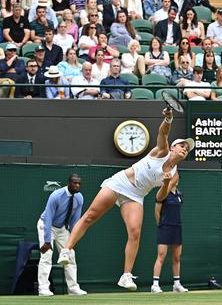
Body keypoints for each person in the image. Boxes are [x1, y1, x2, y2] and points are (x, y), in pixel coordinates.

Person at [57, 107, 194, 292]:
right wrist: (168, 120)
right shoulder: (161, 151)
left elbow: (160, 197)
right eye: (182, 145)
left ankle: (126, 276)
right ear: (173, 147)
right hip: (120, 182)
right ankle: (67, 249)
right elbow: (163, 132)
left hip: (136, 196)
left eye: (187, 149)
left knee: (135, 233)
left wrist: (165, 183)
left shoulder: (175, 175)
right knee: (90, 216)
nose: (185, 149)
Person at [37, 173, 87, 296]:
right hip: (46, 225)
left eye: (79, 183)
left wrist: (73, 240)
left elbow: (75, 221)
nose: (77, 185)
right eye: (74, 183)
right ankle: (43, 288)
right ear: (69, 183)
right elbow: (48, 218)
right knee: (46, 256)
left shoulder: (79, 198)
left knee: (70, 256)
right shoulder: (56, 195)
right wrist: (47, 240)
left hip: (62, 229)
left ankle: (73, 288)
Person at [150, 172, 189, 294]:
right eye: (173, 178)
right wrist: (161, 225)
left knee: (177, 257)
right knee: (161, 256)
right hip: (165, 227)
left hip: (177, 228)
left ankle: (176, 285)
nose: (176, 180)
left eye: (177, 178)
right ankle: (155, 285)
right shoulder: (163, 193)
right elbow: (157, 212)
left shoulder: (179, 194)